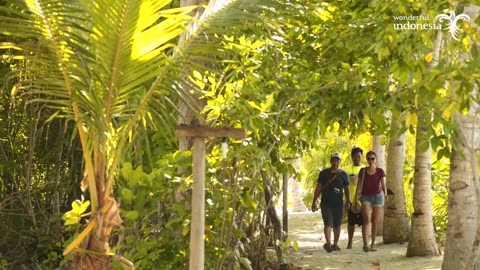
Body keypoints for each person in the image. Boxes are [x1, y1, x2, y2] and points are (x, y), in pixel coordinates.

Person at [311, 153, 350, 252]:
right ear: (330, 161)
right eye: (334, 160)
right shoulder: (324, 173)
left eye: (337, 160)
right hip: (326, 203)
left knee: (337, 224)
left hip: (338, 204)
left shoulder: (343, 175)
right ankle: (328, 244)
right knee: (327, 223)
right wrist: (314, 201)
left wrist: (348, 201)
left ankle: (335, 244)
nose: (335, 162)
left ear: (340, 162)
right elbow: (318, 188)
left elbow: (347, 189)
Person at [354, 151, 387, 252]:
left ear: (376, 159)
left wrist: (385, 193)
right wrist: (355, 198)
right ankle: (365, 244)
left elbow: (383, 185)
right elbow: (359, 185)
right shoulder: (363, 171)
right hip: (366, 196)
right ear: (367, 160)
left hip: (378, 196)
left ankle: (372, 245)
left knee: (375, 221)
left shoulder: (380, 171)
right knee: (366, 219)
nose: (371, 160)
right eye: (369, 158)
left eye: (373, 158)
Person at [342, 147, 364, 249]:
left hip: (363, 201)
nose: (357, 159)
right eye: (355, 157)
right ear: (352, 157)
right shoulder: (345, 170)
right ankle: (350, 242)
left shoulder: (365, 169)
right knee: (351, 223)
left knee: (365, 222)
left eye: (359, 157)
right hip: (350, 199)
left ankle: (365, 243)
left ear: (362, 157)